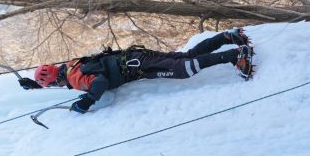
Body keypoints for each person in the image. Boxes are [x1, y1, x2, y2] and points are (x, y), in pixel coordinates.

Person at [18, 28, 253, 114]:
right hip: (134, 57)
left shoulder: (74, 77)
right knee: (186, 56)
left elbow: (98, 82)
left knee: (185, 69)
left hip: (137, 65)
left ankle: (235, 56)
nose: (56, 87)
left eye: (51, 85)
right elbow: (59, 79)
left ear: (55, 81)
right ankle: (227, 37)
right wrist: (34, 84)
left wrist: (87, 101)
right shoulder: (70, 65)